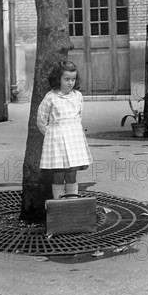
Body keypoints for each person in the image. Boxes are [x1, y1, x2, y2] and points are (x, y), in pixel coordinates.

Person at [37, 61, 92, 199]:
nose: (70, 83)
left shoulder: (77, 96)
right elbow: (41, 120)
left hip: (74, 139)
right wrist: (53, 135)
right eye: (66, 79)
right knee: (58, 174)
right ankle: (59, 206)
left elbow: (78, 116)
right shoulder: (51, 97)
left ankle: (72, 203)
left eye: (73, 79)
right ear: (58, 79)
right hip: (57, 141)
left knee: (72, 172)